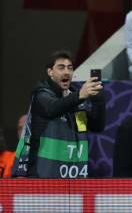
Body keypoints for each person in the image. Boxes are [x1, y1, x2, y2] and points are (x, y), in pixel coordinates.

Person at [14, 51, 105, 179]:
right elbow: (53, 108)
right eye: (61, 67)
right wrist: (79, 95)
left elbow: (97, 126)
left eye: (70, 68)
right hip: (43, 176)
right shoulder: (41, 95)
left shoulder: (75, 101)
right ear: (50, 72)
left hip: (72, 177)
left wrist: (98, 100)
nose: (67, 72)